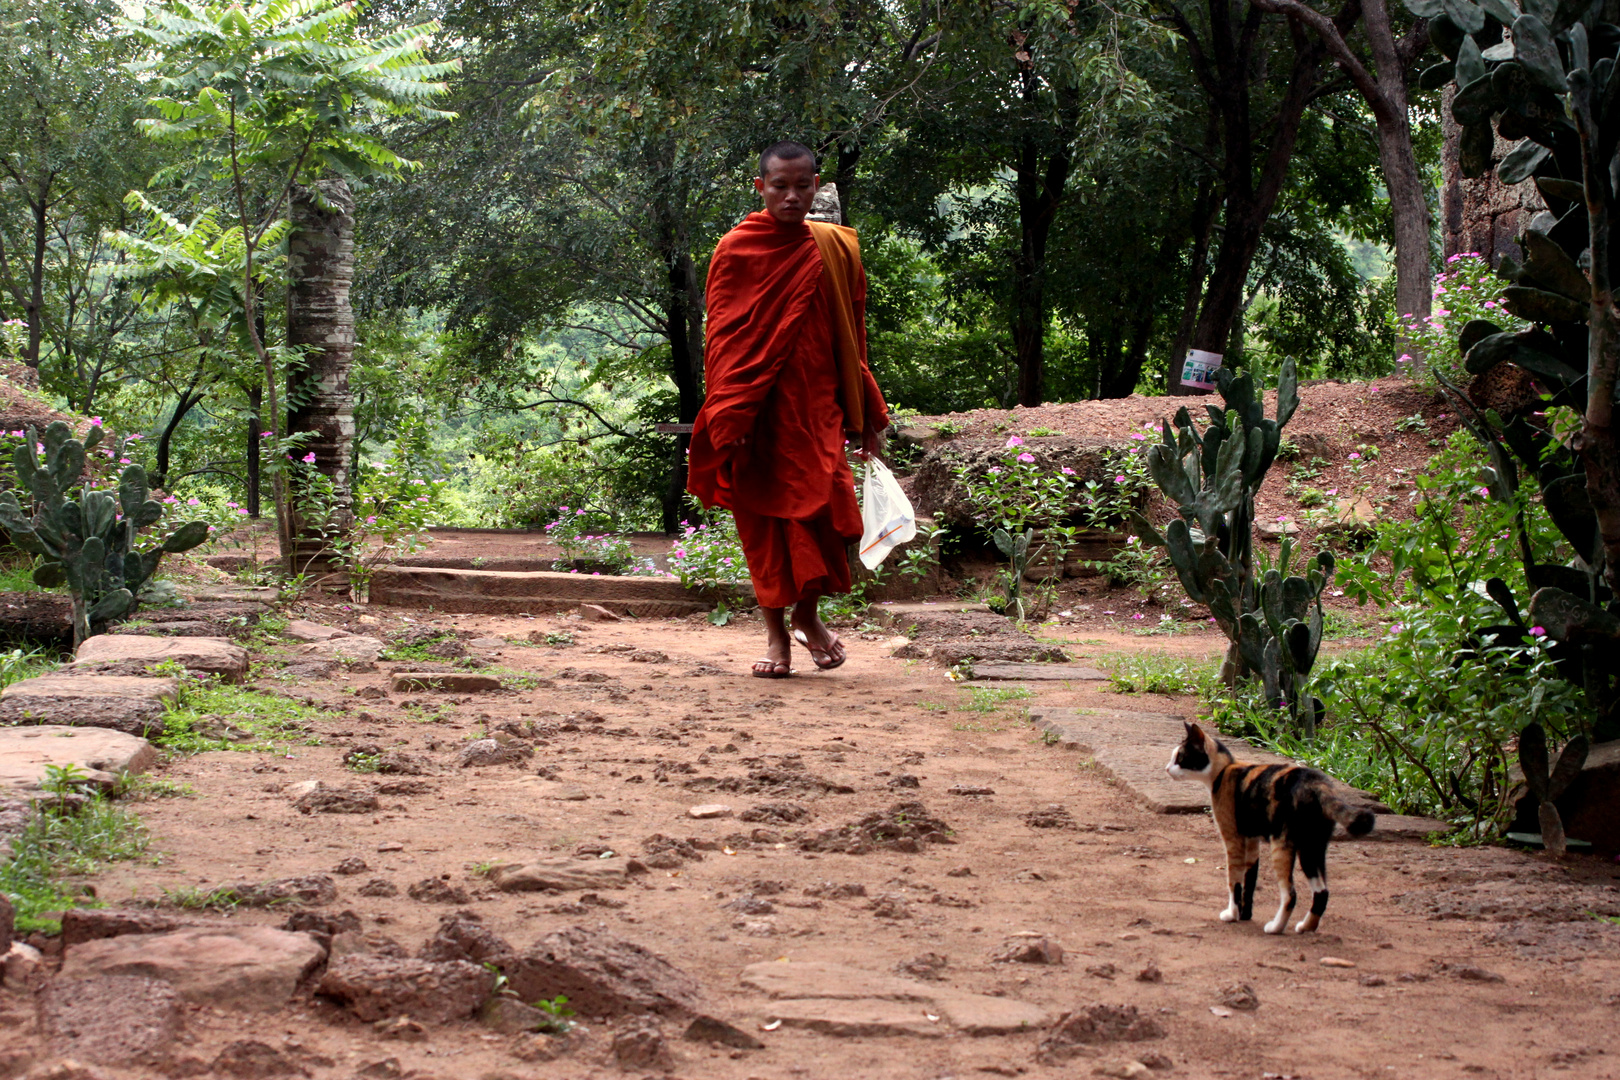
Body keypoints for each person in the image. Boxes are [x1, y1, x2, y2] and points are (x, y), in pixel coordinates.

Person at [687, 141, 889, 678]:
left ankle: (808, 616)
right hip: (756, 414)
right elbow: (723, 341)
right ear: (761, 187)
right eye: (780, 186)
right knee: (764, 525)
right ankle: (776, 637)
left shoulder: (835, 247)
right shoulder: (737, 249)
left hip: (816, 406)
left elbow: (852, 336)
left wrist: (867, 412)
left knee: (825, 511)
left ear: (817, 186)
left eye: (804, 186)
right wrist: (728, 414)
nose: (793, 196)